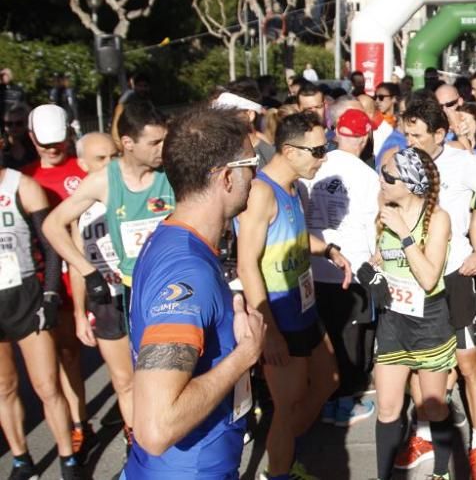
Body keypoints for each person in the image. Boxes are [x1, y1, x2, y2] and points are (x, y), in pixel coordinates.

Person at [125, 105, 265, 478]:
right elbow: (156, 428)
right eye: (251, 163)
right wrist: (245, 355)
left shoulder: (175, 239)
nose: (256, 175)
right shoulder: (187, 272)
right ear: (225, 178)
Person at [392, 98, 476, 478]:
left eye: (416, 135)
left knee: (468, 363)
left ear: (439, 134)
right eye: (405, 133)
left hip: (453, 275)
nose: (409, 142)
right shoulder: (400, 160)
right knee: (418, 360)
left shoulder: (461, 163)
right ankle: (424, 432)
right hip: (411, 273)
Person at [236, 111, 351, 480]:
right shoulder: (261, 193)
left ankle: (281, 453)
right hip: (280, 316)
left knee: (328, 381)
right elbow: (247, 265)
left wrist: (328, 249)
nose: (325, 157)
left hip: (304, 308)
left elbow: (293, 236)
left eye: (326, 147)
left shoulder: (293, 188)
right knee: (287, 408)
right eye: (318, 150)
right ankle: (279, 470)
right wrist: (267, 329)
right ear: (289, 150)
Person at [44, 100, 173, 311]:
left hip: (180, 277)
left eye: (165, 141)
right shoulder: (104, 180)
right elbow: (52, 225)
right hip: (138, 286)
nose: (163, 148)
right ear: (128, 143)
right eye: (154, 143)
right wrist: (89, 273)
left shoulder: (174, 171)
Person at [372, 146, 453, 480]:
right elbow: (382, 260)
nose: (382, 179)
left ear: (409, 182)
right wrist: (375, 264)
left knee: (432, 406)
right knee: (388, 407)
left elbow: (430, 277)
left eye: (389, 175)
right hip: (392, 320)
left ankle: (441, 472)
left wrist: (404, 234)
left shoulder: (437, 218)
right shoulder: (384, 212)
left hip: (428, 321)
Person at [0, 143, 81, 480]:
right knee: (4, 388)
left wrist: (50, 294)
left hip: (26, 296)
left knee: (47, 386)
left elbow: (50, 244)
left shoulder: (21, 185)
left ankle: (68, 459)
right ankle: (21, 459)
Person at [298, 108, 379, 427]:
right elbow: (375, 227)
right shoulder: (368, 177)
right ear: (365, 138)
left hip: (315, 268)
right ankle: (346, 403)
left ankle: (325, 401)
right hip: (353, 268)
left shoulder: (314, 167)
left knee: (324, 337)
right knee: (351, 339)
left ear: (336, 134)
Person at [23, 104, 94, 455]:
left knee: (80, 352)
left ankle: (94, 421)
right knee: (58, 359)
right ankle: (76, 423)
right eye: (46, 143)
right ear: (31, 138)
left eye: (59, 141)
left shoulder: (82, 170)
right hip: (46, 283)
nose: (54, 149)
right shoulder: (25, 178)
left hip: (87, 276)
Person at [70, 132, 137, 446]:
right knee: (124, 382)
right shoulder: (79, 207)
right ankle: (135, 444)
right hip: (105, 301)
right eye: (101, 159)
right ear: (82, 164)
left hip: (137, 294)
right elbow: (76, 261)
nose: (110, 164)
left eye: (114, 156)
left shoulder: (133, 189)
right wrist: (79, 314)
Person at [2, 104, 38, 171]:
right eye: (9, 124)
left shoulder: (36, 147)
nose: (13, 127)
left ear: (27, 124)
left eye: (19, 123)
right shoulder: (2, 147)